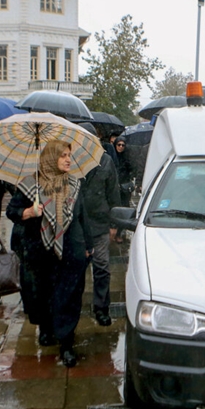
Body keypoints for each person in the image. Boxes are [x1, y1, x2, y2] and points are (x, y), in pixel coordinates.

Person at [7, 140, 92, 367]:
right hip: (40, 251)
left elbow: (82, 216)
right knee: (43, 294)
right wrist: (29, 211)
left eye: (69, 155)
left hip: (71, 249)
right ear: (50, 158)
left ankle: (66, 342)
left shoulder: (74, 184)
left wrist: (88, 245)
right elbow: (12, 211)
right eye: (62, 155)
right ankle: (46, 328)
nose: (68, 160)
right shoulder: (30, 185)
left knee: (69, 296)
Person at [74, 123, 121, 326]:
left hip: (99, 223)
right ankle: (73, 308)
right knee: (76, 269)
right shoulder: (70, 160)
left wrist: (114, 224)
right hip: (76, 225)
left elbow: (113, 193)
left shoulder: (106, 161)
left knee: (101, 267)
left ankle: (101, 308)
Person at [112, 135, 133, 206]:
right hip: (114, 186)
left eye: (123, 145)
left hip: (124, 186)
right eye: (119, 145)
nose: (120, 147)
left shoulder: (127, 157)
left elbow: (132, 169)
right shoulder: (111, 157)